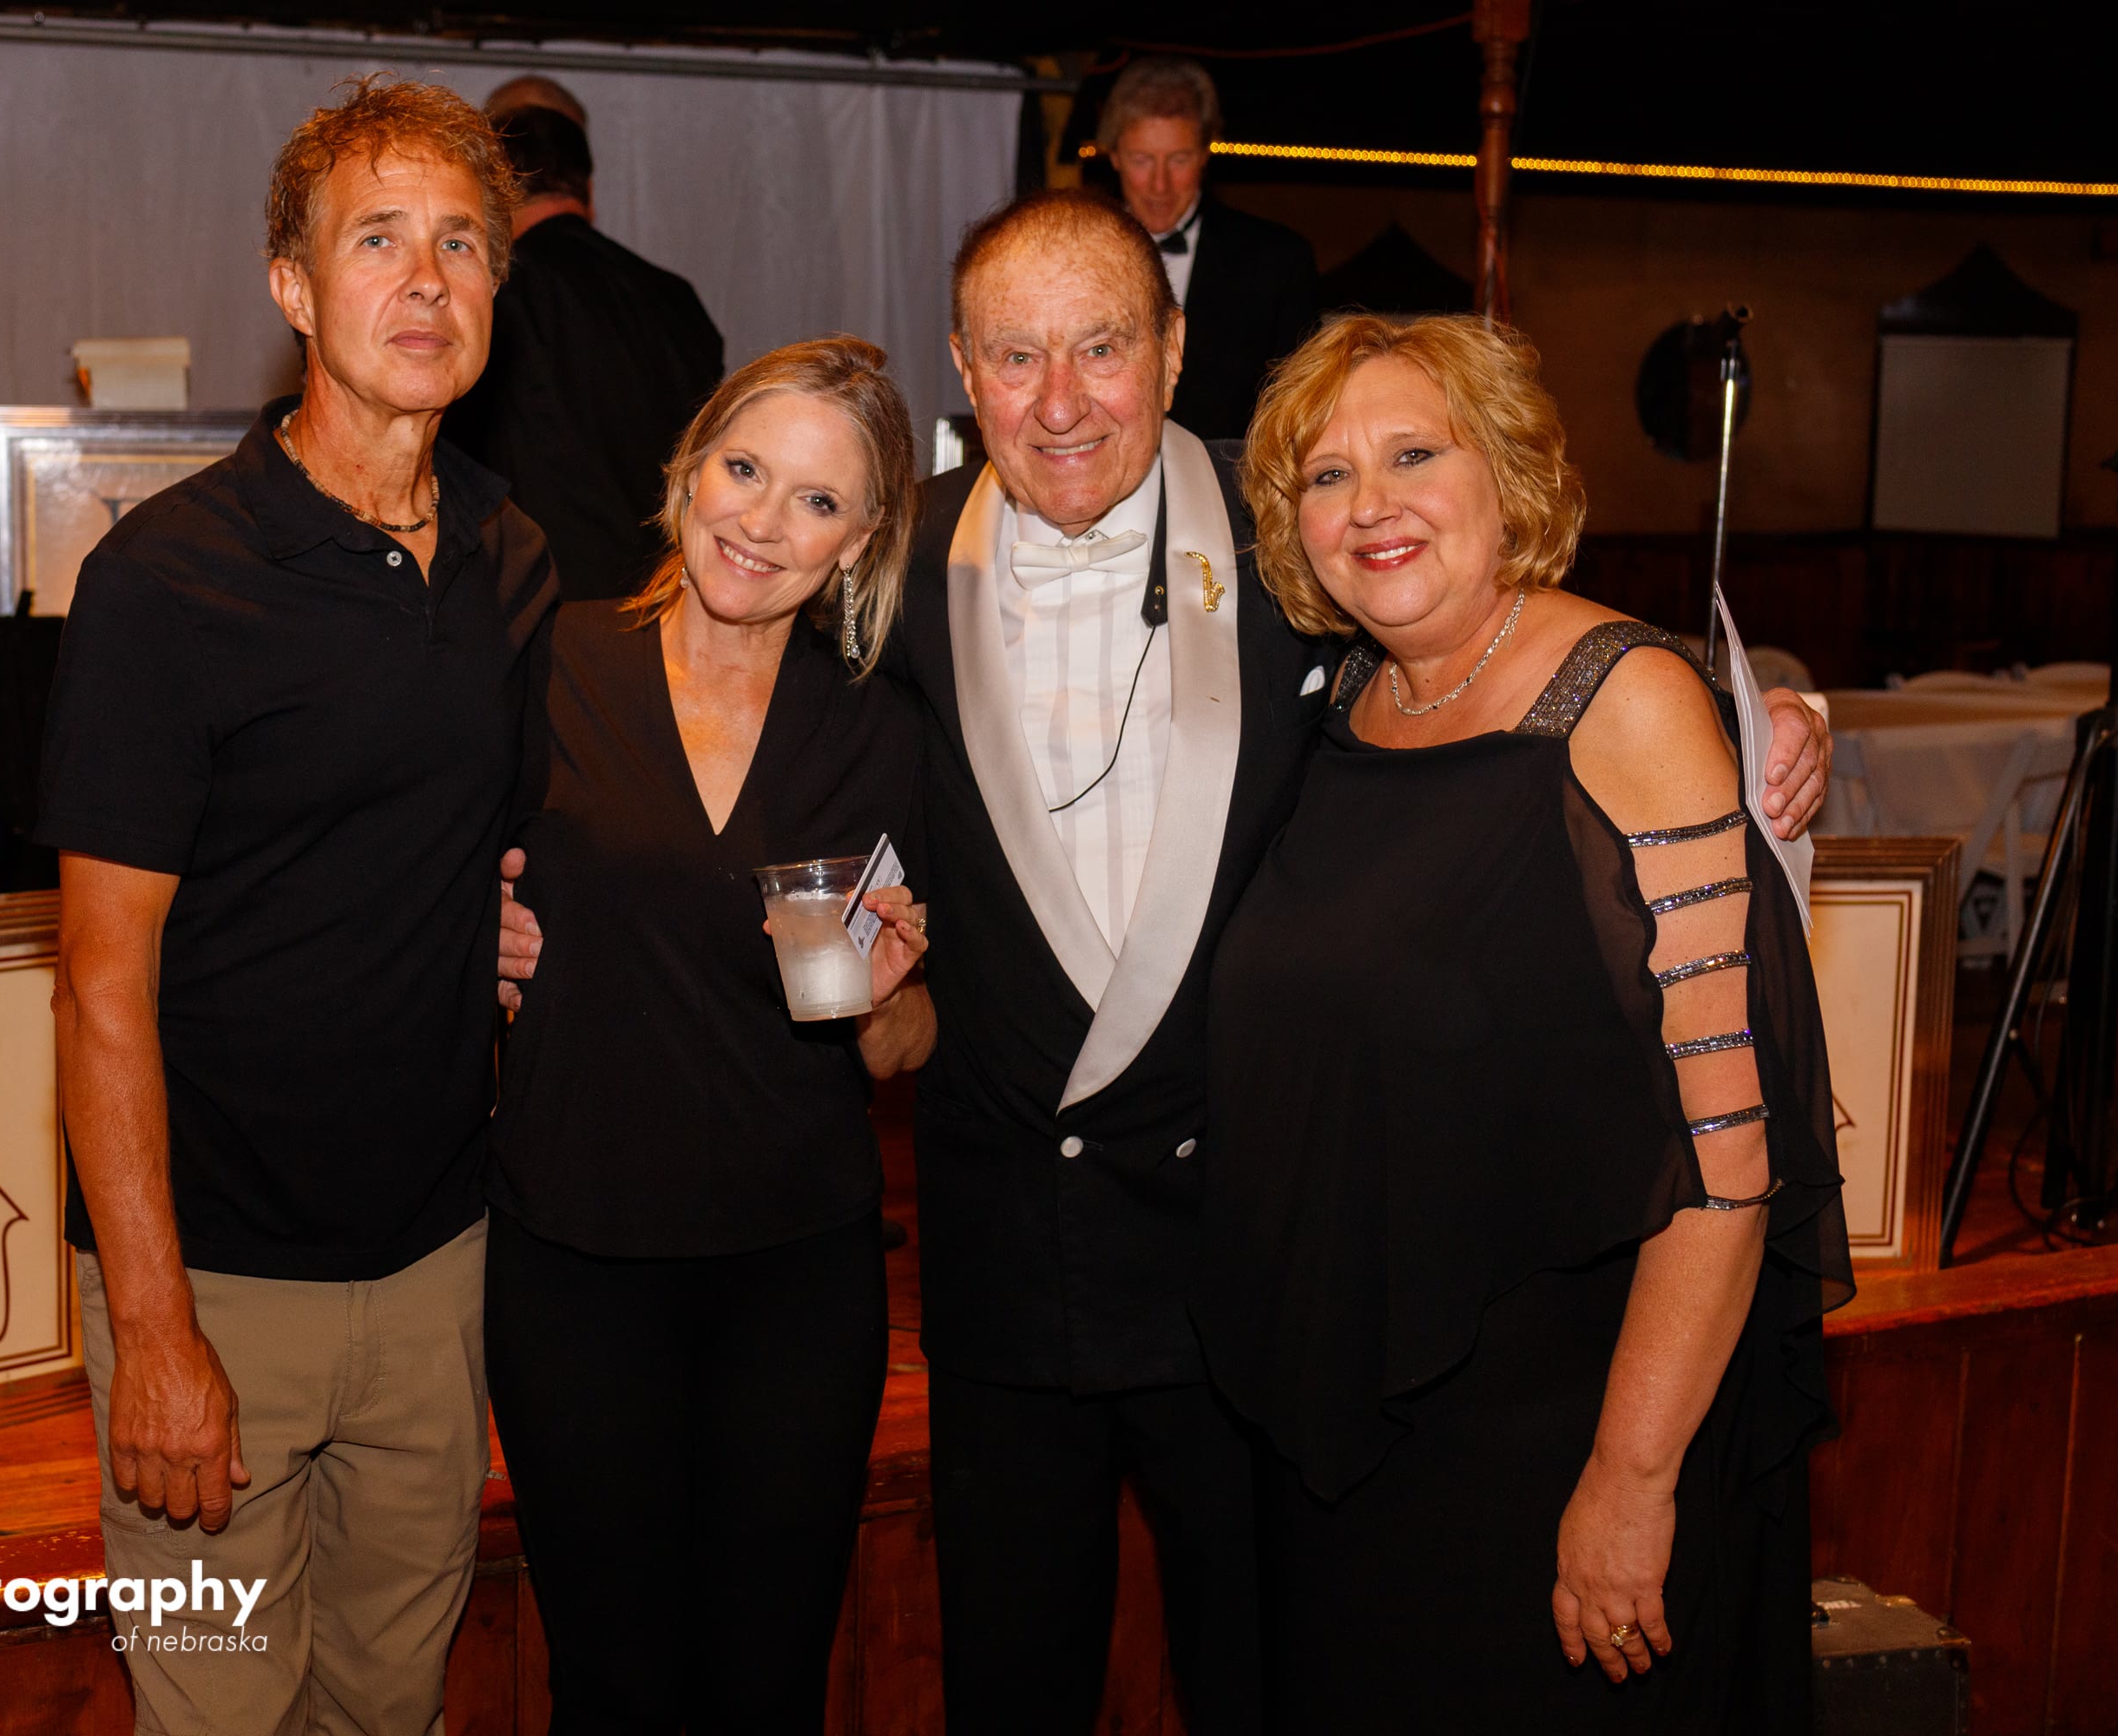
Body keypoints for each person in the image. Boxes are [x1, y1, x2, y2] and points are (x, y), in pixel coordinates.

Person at [499, 190, 1831, 1733]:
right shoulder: (881, 554)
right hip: (1003, 1266)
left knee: (1265, 1685)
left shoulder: (1300, 530)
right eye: (1015, 356)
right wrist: (511, 913)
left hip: (1253, 1265)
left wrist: (1759, 705)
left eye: (1103, 347)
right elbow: (712, 720)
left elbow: (1489, 623)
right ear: (964, 369)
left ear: (1176, 348)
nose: (1060, 401)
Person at [1194, 312, 1852, 1731]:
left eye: (1414, 455)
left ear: (1508, 475)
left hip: (1562, 1435)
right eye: (1326, 474)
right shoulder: (1348, 704)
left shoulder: (1627, 705)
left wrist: (1630, 1479)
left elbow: (1729, 1158)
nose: (1370, 503)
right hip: (1363, 1431)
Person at [40, 75, 552, 1733]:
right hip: (216, 1284)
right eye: (378, 239)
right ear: (294, 287)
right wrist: (153, 1329)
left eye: (462, 243)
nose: (428, 280)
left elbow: (502, 851)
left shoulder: (512, 560)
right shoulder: (165, 582)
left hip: (438, 1270)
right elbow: (97, 984)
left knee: (393, 1712)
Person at [483, 337, 933, 1731]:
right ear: (689, 470)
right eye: (745, 469)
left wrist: (887, 993)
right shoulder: (546, 662)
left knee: (767, 1684)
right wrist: (468, 938)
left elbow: (905, 1047)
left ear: (861, 541)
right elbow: (422, 879)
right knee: (611, 1684)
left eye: (817, 500)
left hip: (795, 1279)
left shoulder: (885, 732)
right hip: (578, 1261)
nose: (762, 521)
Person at [444, 102, 726, 601]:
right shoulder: (675, 298)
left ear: (493, 194)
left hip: (541, 600)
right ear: (588, 190)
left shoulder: (492, 297)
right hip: (668, 596)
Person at [1099, 56, 1319, 443]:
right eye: (1142, 160)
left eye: (1179, 159)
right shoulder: (1075, 257)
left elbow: (1298, 411)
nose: (1160, 185)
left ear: (1204, 154)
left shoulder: (1278, 261)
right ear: (1114, 156)